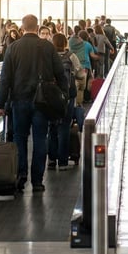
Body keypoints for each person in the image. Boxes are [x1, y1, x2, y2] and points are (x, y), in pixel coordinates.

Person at [0, 14, 67, 193]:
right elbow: (61, 74)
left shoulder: (13, 48)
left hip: (19, 100)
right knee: (40, 139)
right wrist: (63, 95)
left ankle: (21, 177)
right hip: (42, 102)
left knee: (19, 138)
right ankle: (37, 182)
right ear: (37, 27)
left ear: (22, 27)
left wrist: (0, 104)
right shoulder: (48, 47)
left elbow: (5, 79)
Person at [47, 31, 80, 171]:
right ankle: (63, 162)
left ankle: (51, 160)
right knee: (65, 128)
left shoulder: (48, 56)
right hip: (68, 96)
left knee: (52, 128)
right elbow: (80, 73)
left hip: (51, 97)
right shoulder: (71, 56)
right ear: (65, 43)